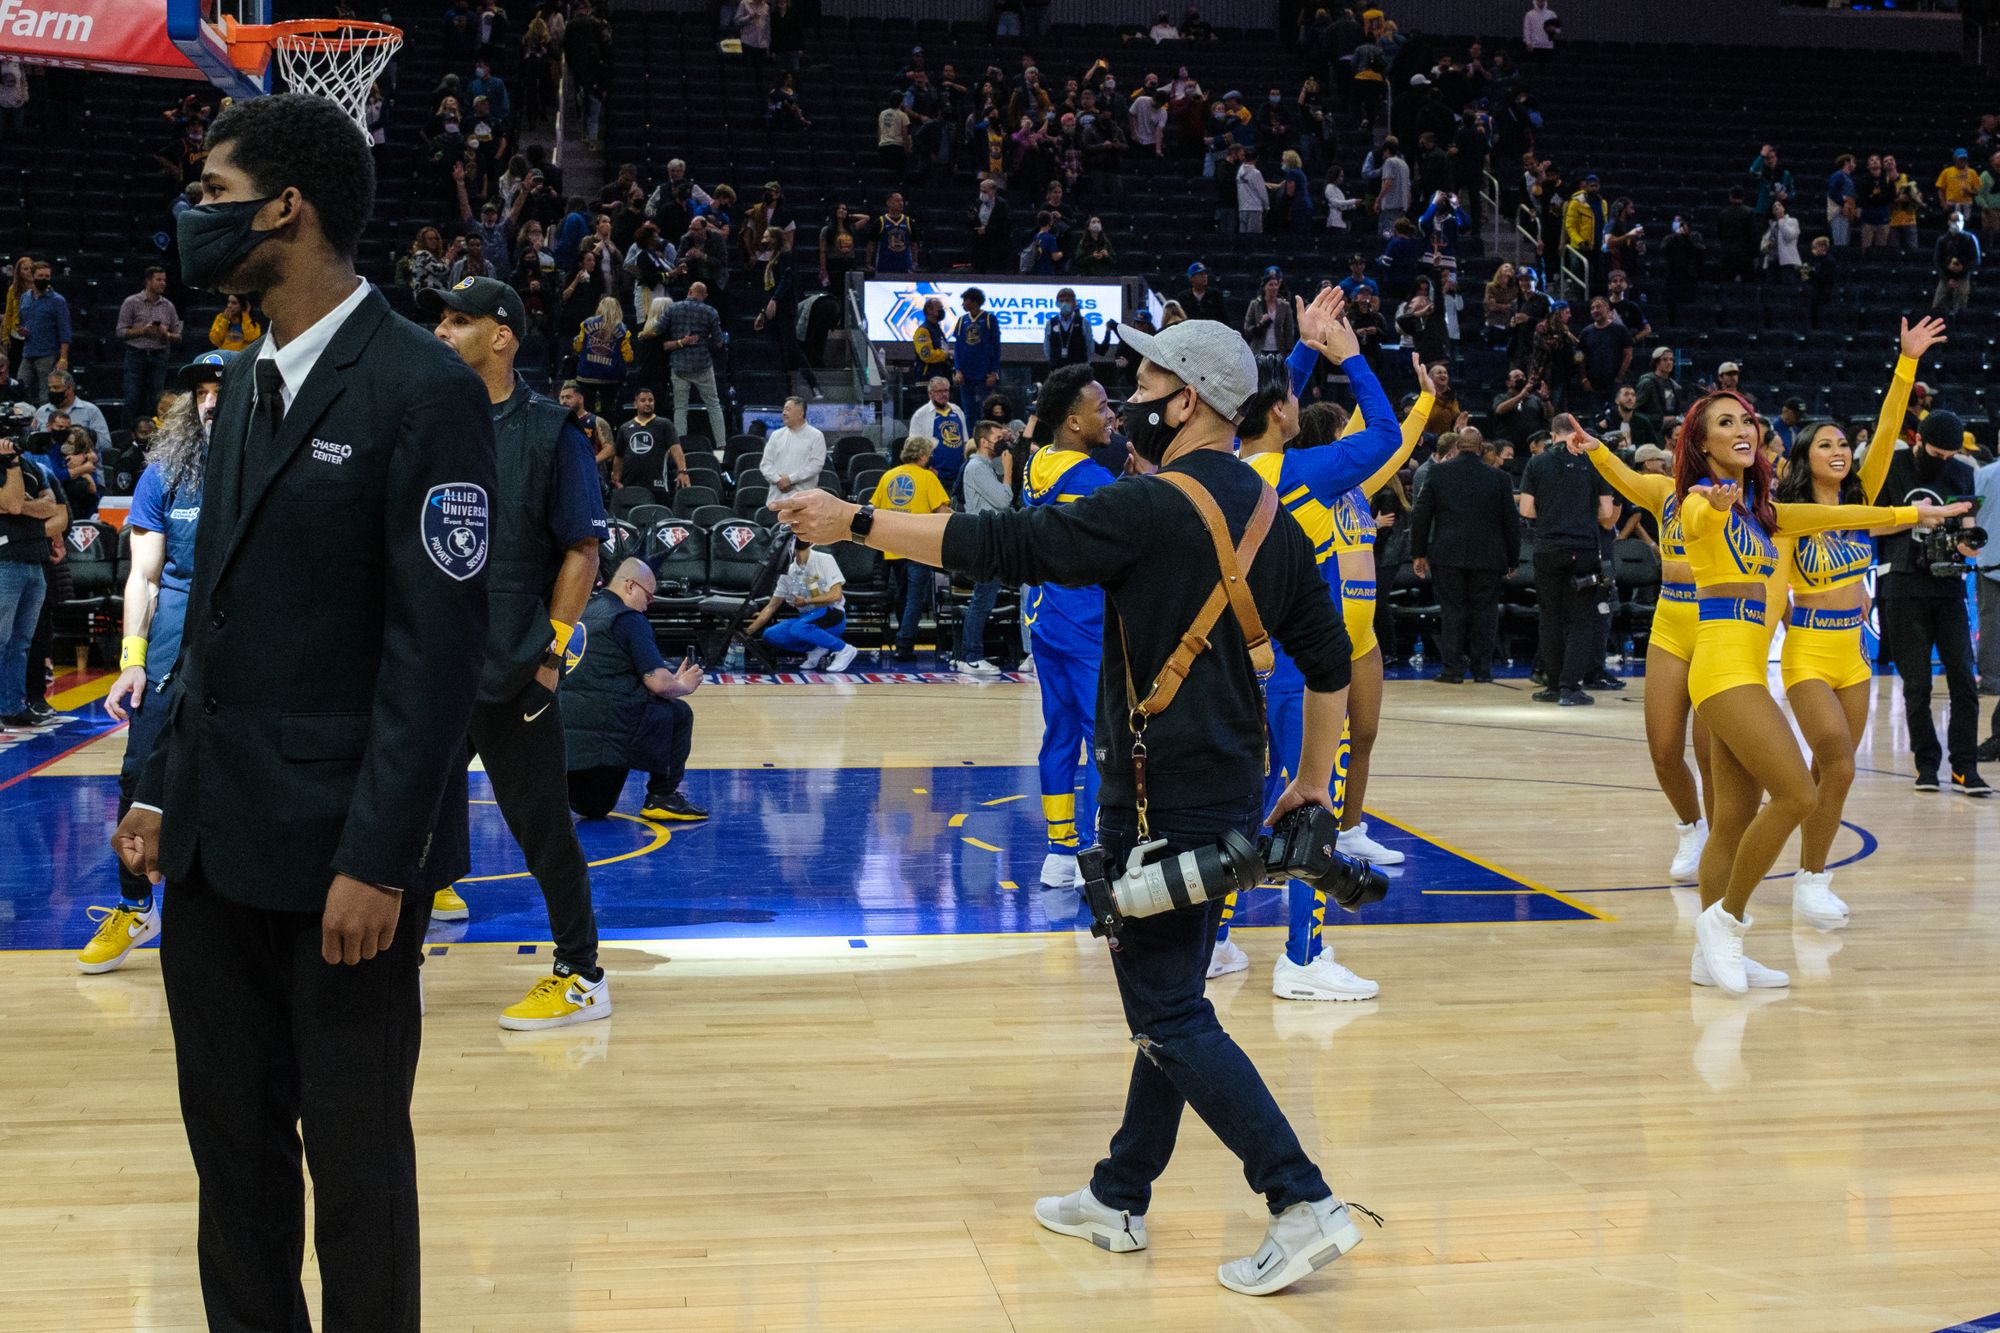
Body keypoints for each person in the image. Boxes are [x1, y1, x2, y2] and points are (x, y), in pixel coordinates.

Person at [770, 316, 1374, 1297]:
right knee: (1172, 994)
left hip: (1158, 797)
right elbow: (1329, 657)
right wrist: (1312, 779)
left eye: (1148, 378)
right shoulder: (1270, 510)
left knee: (1168, 1010)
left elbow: (1002, 542)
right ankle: (1118, 1192)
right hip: (1231, 784)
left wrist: (856, 523)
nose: (1130, 395)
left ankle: (1299, 1197)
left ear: (1187, 399)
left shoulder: (1146, 506)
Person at [110, 94, 497, 1327]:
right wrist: (156, 781)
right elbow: (211, 616)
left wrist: (381, 858)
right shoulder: (238, 384)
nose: (194, 215)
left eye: (212, 194)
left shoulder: (422, 386)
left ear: (287, 208)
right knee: (232, 1161)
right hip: (214, 844)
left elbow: (436, 653)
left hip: (343, 862)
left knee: (357, 1165)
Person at [1615, 395, 1951, 995]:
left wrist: (1911, 516)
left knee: (1734, 819)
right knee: (1797, 793)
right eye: (1725, 423)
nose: (1742, 429)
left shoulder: (1765, 513)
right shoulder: (1696, 500)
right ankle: (1725, 923)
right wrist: (1714, 507)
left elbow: (1838, 516)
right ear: (1702, 443)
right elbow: (1699, 521)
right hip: (1723, 671)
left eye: (1746, 420)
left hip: (1745, 669)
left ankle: (1710, 957)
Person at [423, 276, 617, 1028]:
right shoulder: (428, 420)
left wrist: (551, 658)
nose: (441, 331)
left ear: (501, 336)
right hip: (434, 668)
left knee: (544, 831)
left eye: (458, 320)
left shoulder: (550, 431)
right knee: (408, 823)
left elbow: (582, 551)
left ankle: (582, 974)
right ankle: (394, 966)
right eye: (441, 319)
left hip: (512, 671)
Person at [1217, 290, 1407, 1001]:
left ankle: (1214, 941)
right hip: (1302, 666)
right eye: (1291, 396)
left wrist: (1300, 348)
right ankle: (1303, 956)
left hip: (1245, 662)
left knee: (1250, 804)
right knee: (1308, 806)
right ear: (1279, 413)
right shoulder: (1305, 473)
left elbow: (1265, 406)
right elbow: (1385, 434)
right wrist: (1350, 356)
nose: (1297, 401)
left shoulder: (1229, 467)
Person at [1772, 325, 1944, 926]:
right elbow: (1773, 588)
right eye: (1825, 444)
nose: (1839, 450)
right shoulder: (1788, 515)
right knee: (1842, 764)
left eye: (1844, 442)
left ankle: (1808, 877)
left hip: (1857, 651)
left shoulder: (1862, 501)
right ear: (1805, 457)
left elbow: (1890, 429)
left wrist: (1906, 364)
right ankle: (1810, 875)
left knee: (1828, 772)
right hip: (1808, 652)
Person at [82, 353, 228, 970]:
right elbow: (143, 577)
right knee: (141, 771)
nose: (210, 402)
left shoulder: (274, 463)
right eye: (201, 392)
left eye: (221, 390)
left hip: (246, 636)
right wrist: (132, 659)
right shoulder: (165, 473)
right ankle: (135, 904)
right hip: (171, 638)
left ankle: (235, 910)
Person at [1018, 365, 1117, 888]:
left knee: (1059, 733)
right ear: (1074, 422)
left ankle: (1060, 852)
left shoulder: (1036, 465)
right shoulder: (1090, 480)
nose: (1111, 415)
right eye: (1102, 408)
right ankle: (1098, 850)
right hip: (1086, 623)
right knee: (1103, 738)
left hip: (1043, 617)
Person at [1876, 408, 1991, 796]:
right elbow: (1870, 524)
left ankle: (1965, 768)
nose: (1943, 462)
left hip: (1948, 585)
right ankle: (1926, 765)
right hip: (1903, 584)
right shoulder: (1890, 466)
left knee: (1964, 680)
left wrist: (1968, 545)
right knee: (1917, 685)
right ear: (1918, 440)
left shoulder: (1962, 471)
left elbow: (1967, 525)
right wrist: (1917, 517)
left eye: (1949, 456)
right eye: (1936, 454)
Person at [564, 558, 709, 818]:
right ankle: (662, 796)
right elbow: (659, 684)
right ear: (630, 586)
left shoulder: (584, 610)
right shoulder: (629, 619)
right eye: (648, 596)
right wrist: (682, 685)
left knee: (593, 806)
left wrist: (670, 681)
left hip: (567, 735)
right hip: (606, 723)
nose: (648, 604)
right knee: (679, 712)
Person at [1410, 414, 1522, 684]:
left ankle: (1453, 669)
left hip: (1447, 554)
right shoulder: (1499, 478)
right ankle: (1482, 671)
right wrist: (1513, 559)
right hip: (1488, 557)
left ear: (1458, 446)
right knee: (1485, 613)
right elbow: (1511, 522)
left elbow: (1421, 515)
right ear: (1481, 447)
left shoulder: (1438, 473)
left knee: (1452, 612)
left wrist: (1418, 553)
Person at [1520, 422, 1614, 705]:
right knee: (1580, 620)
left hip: (1547, 549)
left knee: (1550, 618)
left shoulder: (1537, 463)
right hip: (1583, 549)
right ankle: (1571, 688)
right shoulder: (1593, 463)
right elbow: (1607, 512)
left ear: (1552, 435)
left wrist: (1552, 514)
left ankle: (1552, 686)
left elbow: (1526, 510)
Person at [871, 436, 953, 661]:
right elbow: (942, 512)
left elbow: (874, 508)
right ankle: (904, 643)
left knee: (903, 593)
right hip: (919, 545)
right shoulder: (927, 477)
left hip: (893, 544)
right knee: (915, 596)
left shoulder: (888, 476)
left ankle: (902, 639)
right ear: (923, 456)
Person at [747, 533, 857, 671]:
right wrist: (748, 631)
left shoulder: (825, 559)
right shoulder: (788, 572)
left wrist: (806, 601)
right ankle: (817, 647)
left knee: (799, 628)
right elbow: (771, 606)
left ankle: (844, 649)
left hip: (832, 614)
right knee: (771, 635)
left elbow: (836, 595)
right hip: (806, 618)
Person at [952, 420, 1010, 675]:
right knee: (982, 599)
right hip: (984, 542)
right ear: (985, 442)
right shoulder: (977, 467)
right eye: (998, 438)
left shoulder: (984, 466)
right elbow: (1003, 500)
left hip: (990, 540)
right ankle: (971, 656)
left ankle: (969, 654)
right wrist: (1008, 470)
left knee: (984, 598)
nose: (1002, 442)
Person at [117, 266, 184, 427]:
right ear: (148, 281)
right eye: (158, 279)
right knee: (132, 398)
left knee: (156, 399)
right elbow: (120, 332)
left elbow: (178, 336)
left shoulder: (168, 306)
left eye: (164, 280)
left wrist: (166, 334)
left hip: (159, 356)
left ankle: (155, 434)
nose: (163, 283)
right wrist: (143, 331)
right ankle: (127, 435)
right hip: (136, 355)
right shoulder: (131, 302)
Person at [664, 280, 726, 440]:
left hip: (679, 365)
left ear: (690, 292)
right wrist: (708, 339)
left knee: (680, 408)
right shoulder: (711, 312)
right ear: (704, 295)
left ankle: (680, 446)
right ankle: (721, 444)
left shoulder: (673, 308)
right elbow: (719, 343)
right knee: (714, 405)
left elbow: (659, 330)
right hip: (702, 365)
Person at [612, 388, 688, 496]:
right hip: (630, 485)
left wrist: (682, 471)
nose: (647, 403)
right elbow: (619, 456)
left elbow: (676, 448)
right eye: (643, 400)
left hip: (658, 485)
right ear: (635, 404)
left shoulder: (665, 424)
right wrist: (616, 479)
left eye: (650, 400)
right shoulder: (625, 428)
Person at [909, 376, 970, 491]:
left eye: (946, 390)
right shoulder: (920, 415)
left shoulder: (957, 411)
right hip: (934, 474)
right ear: (930, 394)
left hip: (958, 474)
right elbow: (914, 448)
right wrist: (927, 468)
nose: (943, 394)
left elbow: (965, 442)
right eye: (939, 391)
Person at [760, 395, 827, 497]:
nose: (784, 413)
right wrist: (778, 480)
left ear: (800, 414)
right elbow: (765, 464)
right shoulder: (776, 435)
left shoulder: (816, 436)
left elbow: (815, 465)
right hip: (776, 498)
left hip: (803, 498)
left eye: (788, 409)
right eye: (784, 409)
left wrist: (790, 479)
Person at [952, 286, 1002, 418]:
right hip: (966, 373)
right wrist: (958, 370)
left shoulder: (989, 318)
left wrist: (994, 372)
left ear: (974, 301)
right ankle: (969, 431)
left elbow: (996, 347)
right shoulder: (962, 320)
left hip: (984, 373)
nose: (963, 304)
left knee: (986, 410)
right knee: (968, 411)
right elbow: (957, 347)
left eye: (965, 300)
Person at [1044, 287, 1091, 369]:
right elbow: (1047, 347)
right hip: (1057, 369)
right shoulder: (1051, 323)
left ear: (1074, 303)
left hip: (1078, 368)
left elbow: (1089, 346)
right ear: (1057, 304)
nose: (1064, 304)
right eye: (1061, 301)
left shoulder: (1083, 322)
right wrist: (1052, 363)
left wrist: (1084, 363)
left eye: (1067, 301)